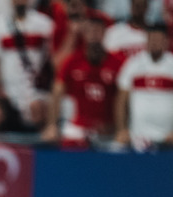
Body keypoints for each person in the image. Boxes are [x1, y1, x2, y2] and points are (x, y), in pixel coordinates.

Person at [41, 15, 124, 145]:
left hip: (108, 129)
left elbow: (123, 98)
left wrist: (122, 128)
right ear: (84, 34)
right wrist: (51, 125)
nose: (94, 36)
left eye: (98, 31)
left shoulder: (117, 63)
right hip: (78, 128)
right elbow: (57, 93)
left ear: (104, 34)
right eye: (91, 31)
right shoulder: (72, 62)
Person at [115, 23, 173, 147]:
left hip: (169, 140)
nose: (154, 43)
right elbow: (121, 101)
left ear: (166, 42)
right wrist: (122, 130)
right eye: (151, 39)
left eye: (158, 39)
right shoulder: (132, 65)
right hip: (137, 137)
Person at [0, 0, 56, 130]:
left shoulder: (44, 24)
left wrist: (44, 90)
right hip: (9, 90)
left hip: (36, 89)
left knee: (39, 126)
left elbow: (50, 59)